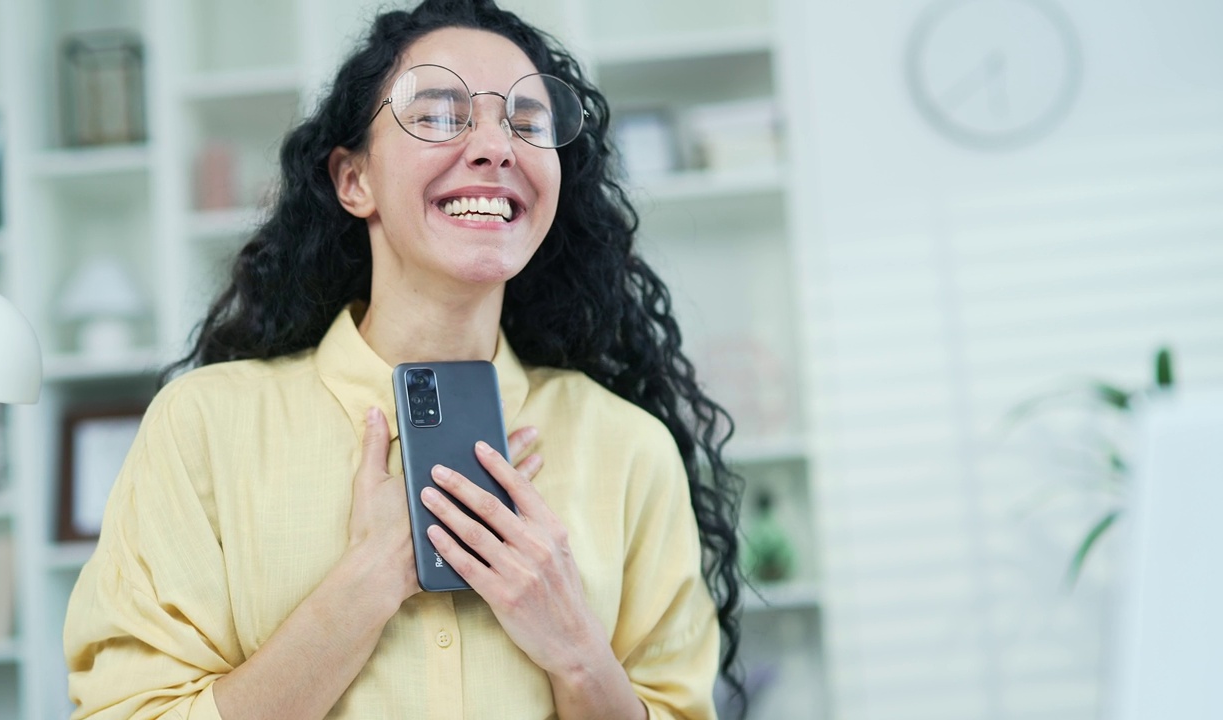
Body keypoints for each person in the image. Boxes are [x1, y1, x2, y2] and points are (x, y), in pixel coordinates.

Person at [63, 0, 745, 717]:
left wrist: (575, 648)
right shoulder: (204, 426)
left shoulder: (631, 449)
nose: (496, 147)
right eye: (441, 114)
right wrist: (365, 584)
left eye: (527, 122)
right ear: (354, 180)